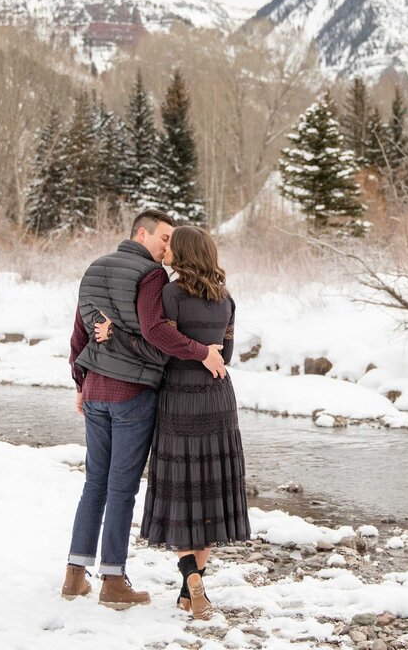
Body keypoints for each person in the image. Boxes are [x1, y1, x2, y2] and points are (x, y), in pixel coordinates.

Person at [60, 210, 227, 609]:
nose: (168, 246)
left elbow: (79, 333)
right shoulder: (151, 276)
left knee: (94, 483)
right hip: (132, 393)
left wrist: (81, 382)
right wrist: (201, 351)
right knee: (120, 489)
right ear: (142, 232)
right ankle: (113, 581)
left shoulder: (95, 268)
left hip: (96, 389)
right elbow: (155, 336)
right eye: (164, 237)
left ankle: (74, 576)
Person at [132, 225, 250, 620]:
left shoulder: (169, 294)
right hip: (218, 398)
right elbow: (226, 354)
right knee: (211, 490)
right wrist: (208, 349)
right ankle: (192, 587)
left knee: (181, 490)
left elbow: (160, 346)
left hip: (179, 398)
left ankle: (190, 578)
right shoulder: (225, 299)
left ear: (181, 253)